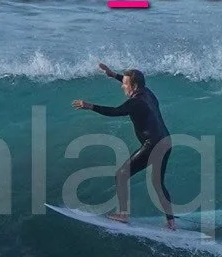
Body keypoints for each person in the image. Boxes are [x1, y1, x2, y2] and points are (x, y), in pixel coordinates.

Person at [72, 64, 175, 228]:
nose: (122, 86)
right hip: (166, 142)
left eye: (125, 83)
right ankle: (171, 222)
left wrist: (90, 106)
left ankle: (123, 214)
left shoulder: (135, 103)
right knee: (157, 183)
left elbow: (114, 111)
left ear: (133, 86)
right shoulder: (148, 93)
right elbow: (132, 83)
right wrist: (113, 75)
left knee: (121, 174)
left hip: (153, 145)